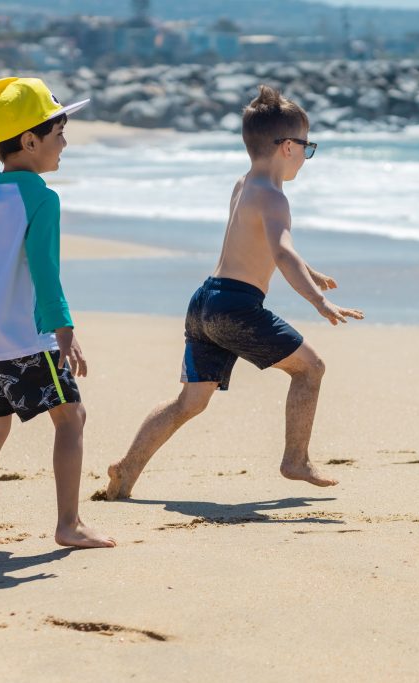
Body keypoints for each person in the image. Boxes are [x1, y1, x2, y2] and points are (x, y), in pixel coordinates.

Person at [101, 85, 364, 501]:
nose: (306, 157)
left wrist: (310, 270)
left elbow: (257, 245)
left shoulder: (244, 184)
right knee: (310, 369)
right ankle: (295, 459)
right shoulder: (275, 197)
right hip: (235, 308)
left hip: (205, 300)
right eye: (307, 147)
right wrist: (318, 299)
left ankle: (127, 468)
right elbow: (280, 251)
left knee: (189, 401)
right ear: (288, 147)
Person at [0, 77, 115, 549]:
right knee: (72, 416)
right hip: (25, 340)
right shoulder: (41, 198)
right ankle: (69, 524)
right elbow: (46, 272)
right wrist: (64, 328)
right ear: (30, 141)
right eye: (59, 134)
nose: (65, 144)